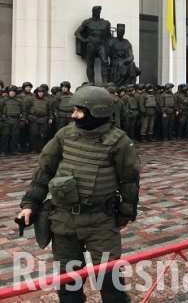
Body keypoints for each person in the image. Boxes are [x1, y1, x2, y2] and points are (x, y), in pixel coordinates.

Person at [17, 85, 140, 303]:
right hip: (63, 220)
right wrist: (30, 204)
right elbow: (44, 170)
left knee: (110, 281)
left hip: (100, 222)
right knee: (68, 282)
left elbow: (129, 181)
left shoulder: (119, 142)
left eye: (79, 111)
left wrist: (125, 213)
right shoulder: (65, 134)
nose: (73, 115)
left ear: (97, 112)